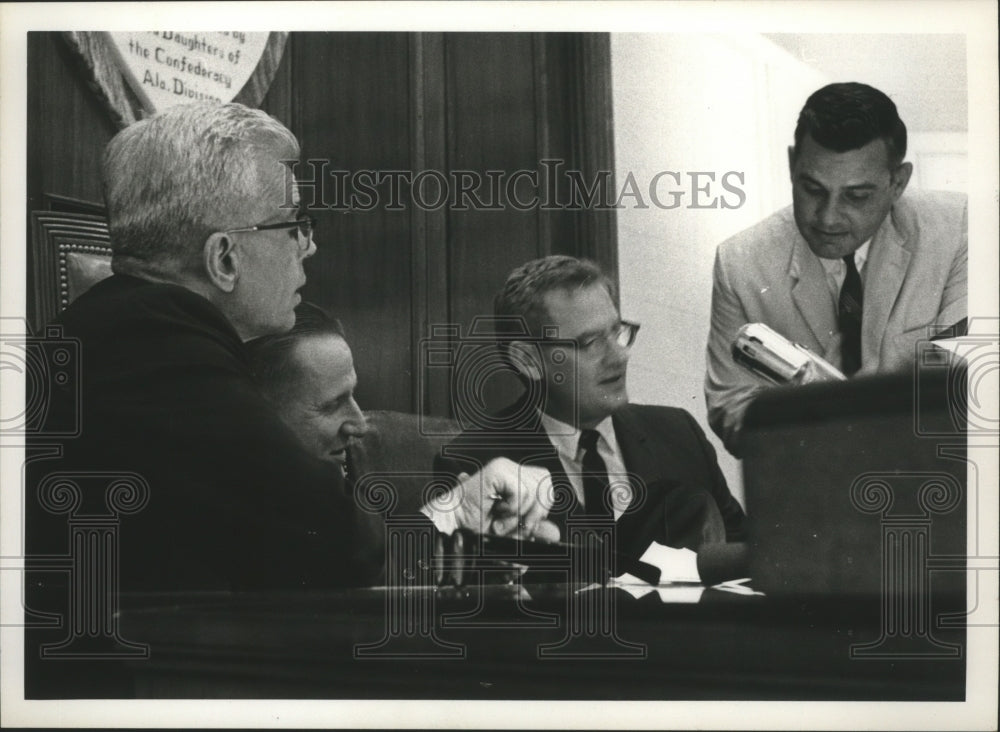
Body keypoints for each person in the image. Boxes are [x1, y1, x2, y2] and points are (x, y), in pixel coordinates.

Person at [26, 102, 549, 597]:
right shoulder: (150, 344)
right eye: (293, 225)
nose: (309, 246)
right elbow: (338, 546)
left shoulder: (135, 326)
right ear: (224, 258)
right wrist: (455, 512)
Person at [430, 255, 747, 584]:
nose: (619, 355)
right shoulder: (473, 461)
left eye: (618, 332)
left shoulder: (679, 434)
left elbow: (746, 554)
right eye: (590, 342)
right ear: (527, 360)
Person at [705, 82, 968, 457]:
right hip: (812, 491)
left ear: (898, 183)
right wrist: (816, 421)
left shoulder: (961, 230)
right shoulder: (740, 262)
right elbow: (728, 406)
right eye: (812, 189)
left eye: (856, 196)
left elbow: (966, 389)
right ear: (792, 164)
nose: (828, 218)